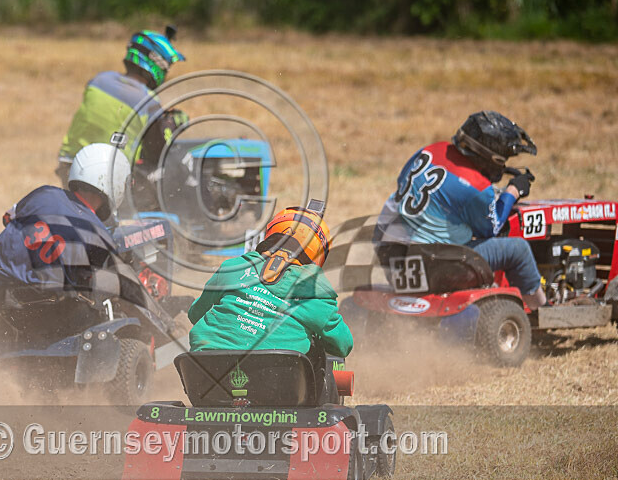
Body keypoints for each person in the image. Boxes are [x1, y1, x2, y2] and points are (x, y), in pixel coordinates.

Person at [375, 110, 547, 309]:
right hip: (431, 266)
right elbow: (492, 228)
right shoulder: (477, 187)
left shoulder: (430, 150)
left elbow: (406, 182)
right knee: (518, 249)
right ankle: (541, 310)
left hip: (387, 254)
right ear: (491, 158)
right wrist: (512, 191)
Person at [0, 143, 131, 337]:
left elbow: (7, 218)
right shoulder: (101, 234)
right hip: (50, 315)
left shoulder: (43, 194)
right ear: (114, 183)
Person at [188, 202, 353, 358]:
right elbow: (343, 345)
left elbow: (196, 314)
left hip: (205, 373)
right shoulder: (314, 291)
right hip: (278, 381)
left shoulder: (233, 267)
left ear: (270, 235)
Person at [56, 27, 187, 184]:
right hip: (106, 177)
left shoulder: (99, 80)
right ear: (157, 64)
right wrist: (171, 125)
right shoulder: (149, 101)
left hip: (69, 166)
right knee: (177, 167)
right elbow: (157, 153)